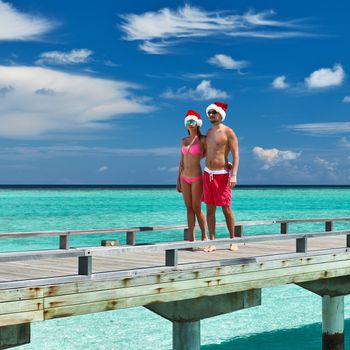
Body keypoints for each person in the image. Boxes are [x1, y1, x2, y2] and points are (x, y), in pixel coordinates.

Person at [202, 102, 239, 252]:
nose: (211, 115)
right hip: (207, 174)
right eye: (209, 112)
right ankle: (212, 241)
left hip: (222, 176)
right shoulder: (209, 132)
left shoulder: (228, 132)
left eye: (214, 112)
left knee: (226, 208)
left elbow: (236, 154)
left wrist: (234, 174)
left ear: (220, 114)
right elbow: (207, 152)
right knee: (210, 209)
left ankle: (233, 240)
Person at [176, 110, 208, 244]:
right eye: (188, 121)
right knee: (188, 208)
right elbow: (181, 161)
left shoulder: (203, 140)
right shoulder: (183, 140)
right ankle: (191, 239)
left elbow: (210, 154)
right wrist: (178, 179)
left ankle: (204, 236)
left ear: (198, 123)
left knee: (197, 208)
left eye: (192, 121)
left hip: (196, 177)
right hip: (184, 178)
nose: (190, 123)